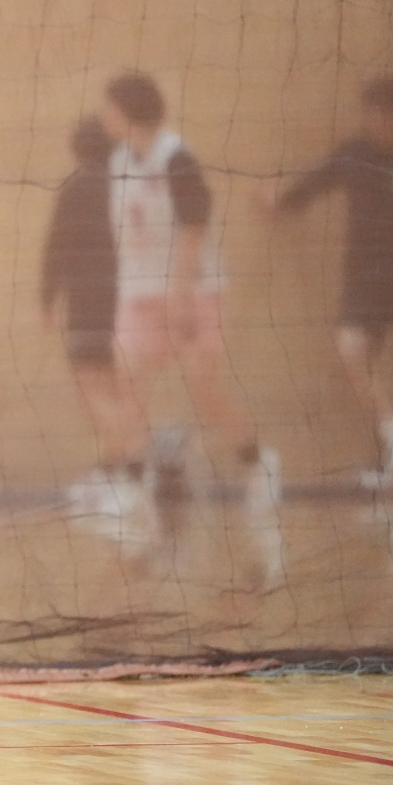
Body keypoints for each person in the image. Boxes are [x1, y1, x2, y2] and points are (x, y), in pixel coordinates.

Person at [99, 72, 280, 574]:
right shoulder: (116, 162)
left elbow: (194, 227)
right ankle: (135, 487)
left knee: (202, 388)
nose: (103, 115)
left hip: (193, 289)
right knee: (128, 380)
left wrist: (178, 294)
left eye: (109, 106)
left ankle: (258, 465)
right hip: (139, 292)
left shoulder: (177, 157)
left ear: (129, 109)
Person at [265, 76, 393, 487]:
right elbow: (314, 183)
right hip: (364, 279)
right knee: (352, 352)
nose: (376, 123)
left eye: (385, 116)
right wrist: (279, 203)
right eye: (371, 114)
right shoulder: (354, 153)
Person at [43, 117, 128, 462]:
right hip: (127, 298)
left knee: (90, 386)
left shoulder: (76, 187)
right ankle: (116, 468)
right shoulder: (126, 184)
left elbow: (56, 247)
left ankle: (134, 462)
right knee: (115, 389)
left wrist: (46, 301)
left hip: (89, 302)